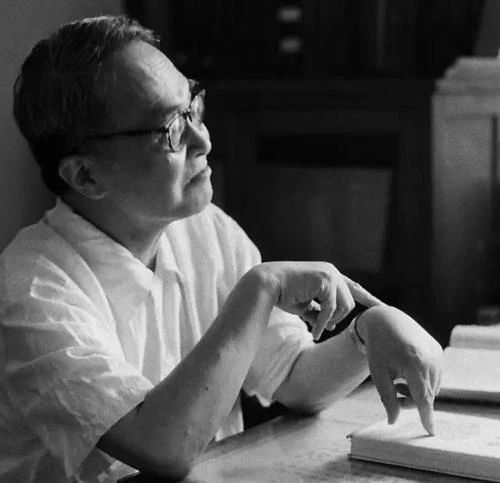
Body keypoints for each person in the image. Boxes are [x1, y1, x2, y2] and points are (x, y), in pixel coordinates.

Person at [0, 15, 443, 482]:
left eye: (192, 107)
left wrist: (367, 333)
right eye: (171, 129)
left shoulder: (204, 229)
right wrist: (261, 288)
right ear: (86, 176)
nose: (203, 140)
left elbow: (292, 376)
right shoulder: (30, 292)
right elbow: (162, 448)